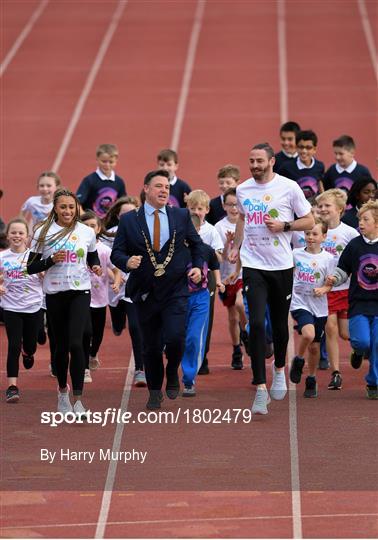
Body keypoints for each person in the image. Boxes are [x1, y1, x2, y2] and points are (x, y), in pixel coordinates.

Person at [229, 142, 314, 415]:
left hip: (281, 265)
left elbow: (310, 220)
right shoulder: (243, 189)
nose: (254, 165)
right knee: (254, 322)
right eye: (251, 161)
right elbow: (242, 218)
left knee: (279, 324)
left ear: (271, 161)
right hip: (253, 265)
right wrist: (236, 248)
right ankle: (260, 388)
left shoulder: (288, 187)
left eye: (259, 161)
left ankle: (279, 368)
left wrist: (285, 226)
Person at [111, 170, 203, 410]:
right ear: (146, 189)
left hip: (175, 290)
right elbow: (116, 252)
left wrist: (197, 268)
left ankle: (172, 370)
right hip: (145, 291)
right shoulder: (130, 219)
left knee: (175, 338)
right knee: (150, 346)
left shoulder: (181, 215)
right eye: (159, 186)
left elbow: (197, 246)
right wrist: (126, 262)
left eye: (167, 187)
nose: (164, 190)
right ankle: (154, 390)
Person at [27, 188, 102, 417]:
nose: (67, 211)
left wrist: (95, 265)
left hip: (80, 291)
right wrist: (50, 260)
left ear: (76, 208)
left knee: (76, 344)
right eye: (63, 207)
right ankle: (62, 392)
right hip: (55, 293)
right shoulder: (43, 231)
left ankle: (78, 400)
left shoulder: (86, 231)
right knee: (59, 347)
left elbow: (92, 254)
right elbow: (31, 266)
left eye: (71, 207)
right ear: (55, 209)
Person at [325, 200, 378, 399]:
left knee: (377, 344)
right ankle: (357, 350)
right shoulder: (354, 245)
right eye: (359, 220)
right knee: (363, 341)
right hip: (359, 303)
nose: (361, 223)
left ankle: (373, 383)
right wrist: (334, 278)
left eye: (366, 220)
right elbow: (343, 269)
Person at [316, 188, 359, 389]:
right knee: (330, 329)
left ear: (340, 209)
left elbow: (358, 258)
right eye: (320, 206)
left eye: (327, 206)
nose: (323, 209)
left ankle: (358, 349)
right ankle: (335, 373)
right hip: (326, 290)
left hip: (347, 288)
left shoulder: (350, 233)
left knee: (346, 333)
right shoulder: (316, 231)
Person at [101, 196, 146, 387]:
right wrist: (115, 277)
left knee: (136, 327)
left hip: (134, 286)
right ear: (118, 216)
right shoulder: (108, 235)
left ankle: (140, 370)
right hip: (114, 286)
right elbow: (104, 259)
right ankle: (118, 324)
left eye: (132, 212)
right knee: (118, 322)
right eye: (124, 213)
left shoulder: (144, 233)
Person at [289, 219, 334, 397]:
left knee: (315, 348)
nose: (310, 237)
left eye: (315, 234)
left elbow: (331, 283)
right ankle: (299, 359)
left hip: (320, 307)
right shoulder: (296, 254)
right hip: (300, 302)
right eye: (307, 233)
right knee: (308, 334)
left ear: (324, 237)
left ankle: (312, 378)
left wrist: (324, 288)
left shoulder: (329, 259)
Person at [181, 214, 224, 396]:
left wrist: (219, 282)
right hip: (178, 299)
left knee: (193, 338)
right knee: (176, 339)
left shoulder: (206, 250)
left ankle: (188, 379)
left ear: (198, 231)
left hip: (200, 298)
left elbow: (214, 265)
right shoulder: (173, 251)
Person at [0, 218, 43, 402]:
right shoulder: (2, 257)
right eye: (13, 232)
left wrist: (43, 273)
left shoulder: (34, 257)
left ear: (27, 237)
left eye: (20, 233)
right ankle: (12, 387)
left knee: (31, 345)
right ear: (7, 235)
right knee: (14, 345)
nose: (17, 236)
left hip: (33, 307)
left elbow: (46, 277)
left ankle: (28, 352)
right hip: (11, 307)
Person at [80, 211, 122, 383]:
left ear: (98, 229)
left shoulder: (104, 250)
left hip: (100, 298)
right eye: (86, 226)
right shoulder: (78, 248)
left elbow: (116, 269)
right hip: (81, 297)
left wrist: (117, 283)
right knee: (86, 332)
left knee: (97, 334)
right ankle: (84, 369)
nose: (89, 229)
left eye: (92, 226)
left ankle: (93, 353)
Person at [186, 189, 223, 375]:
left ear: (207, 210)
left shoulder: (211, 231)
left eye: (200, 208)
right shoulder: (182, 227)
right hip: (184, 276)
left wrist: (202, 250)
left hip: (205, 279)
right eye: (192, 208)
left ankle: (203, 355)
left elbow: (218, 257)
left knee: (204, 317)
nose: (196, 212)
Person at [214, 187, 248, 369]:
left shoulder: (248, 223)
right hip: (226, 275)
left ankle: (246, 332)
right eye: (230, 205)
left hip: (243, 273)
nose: (234, 208)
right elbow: (224, 257)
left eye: (237, 205)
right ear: (223, 206)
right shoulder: (219, 227)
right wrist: (228, 242)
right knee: (232, 316)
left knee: (240, 304)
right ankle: (236, 349)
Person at [76, 143, 126, 218]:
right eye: (104, 161)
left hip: (110, 224)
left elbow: (123, 204)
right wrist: (86, 218)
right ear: (97, 159)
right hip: (92, 224)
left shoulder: (119, 182)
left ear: (116, 161)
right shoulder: (89, 180)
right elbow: (77, 203)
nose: (107, 165)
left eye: (111, 162)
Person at [278, 129, 325, 201]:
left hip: (314, 210)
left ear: (314, 149)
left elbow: (319, 184)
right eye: (301, 147)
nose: (304, 151)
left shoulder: (319, 166)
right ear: (296, 147)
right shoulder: (286, 168)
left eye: (308, 148)